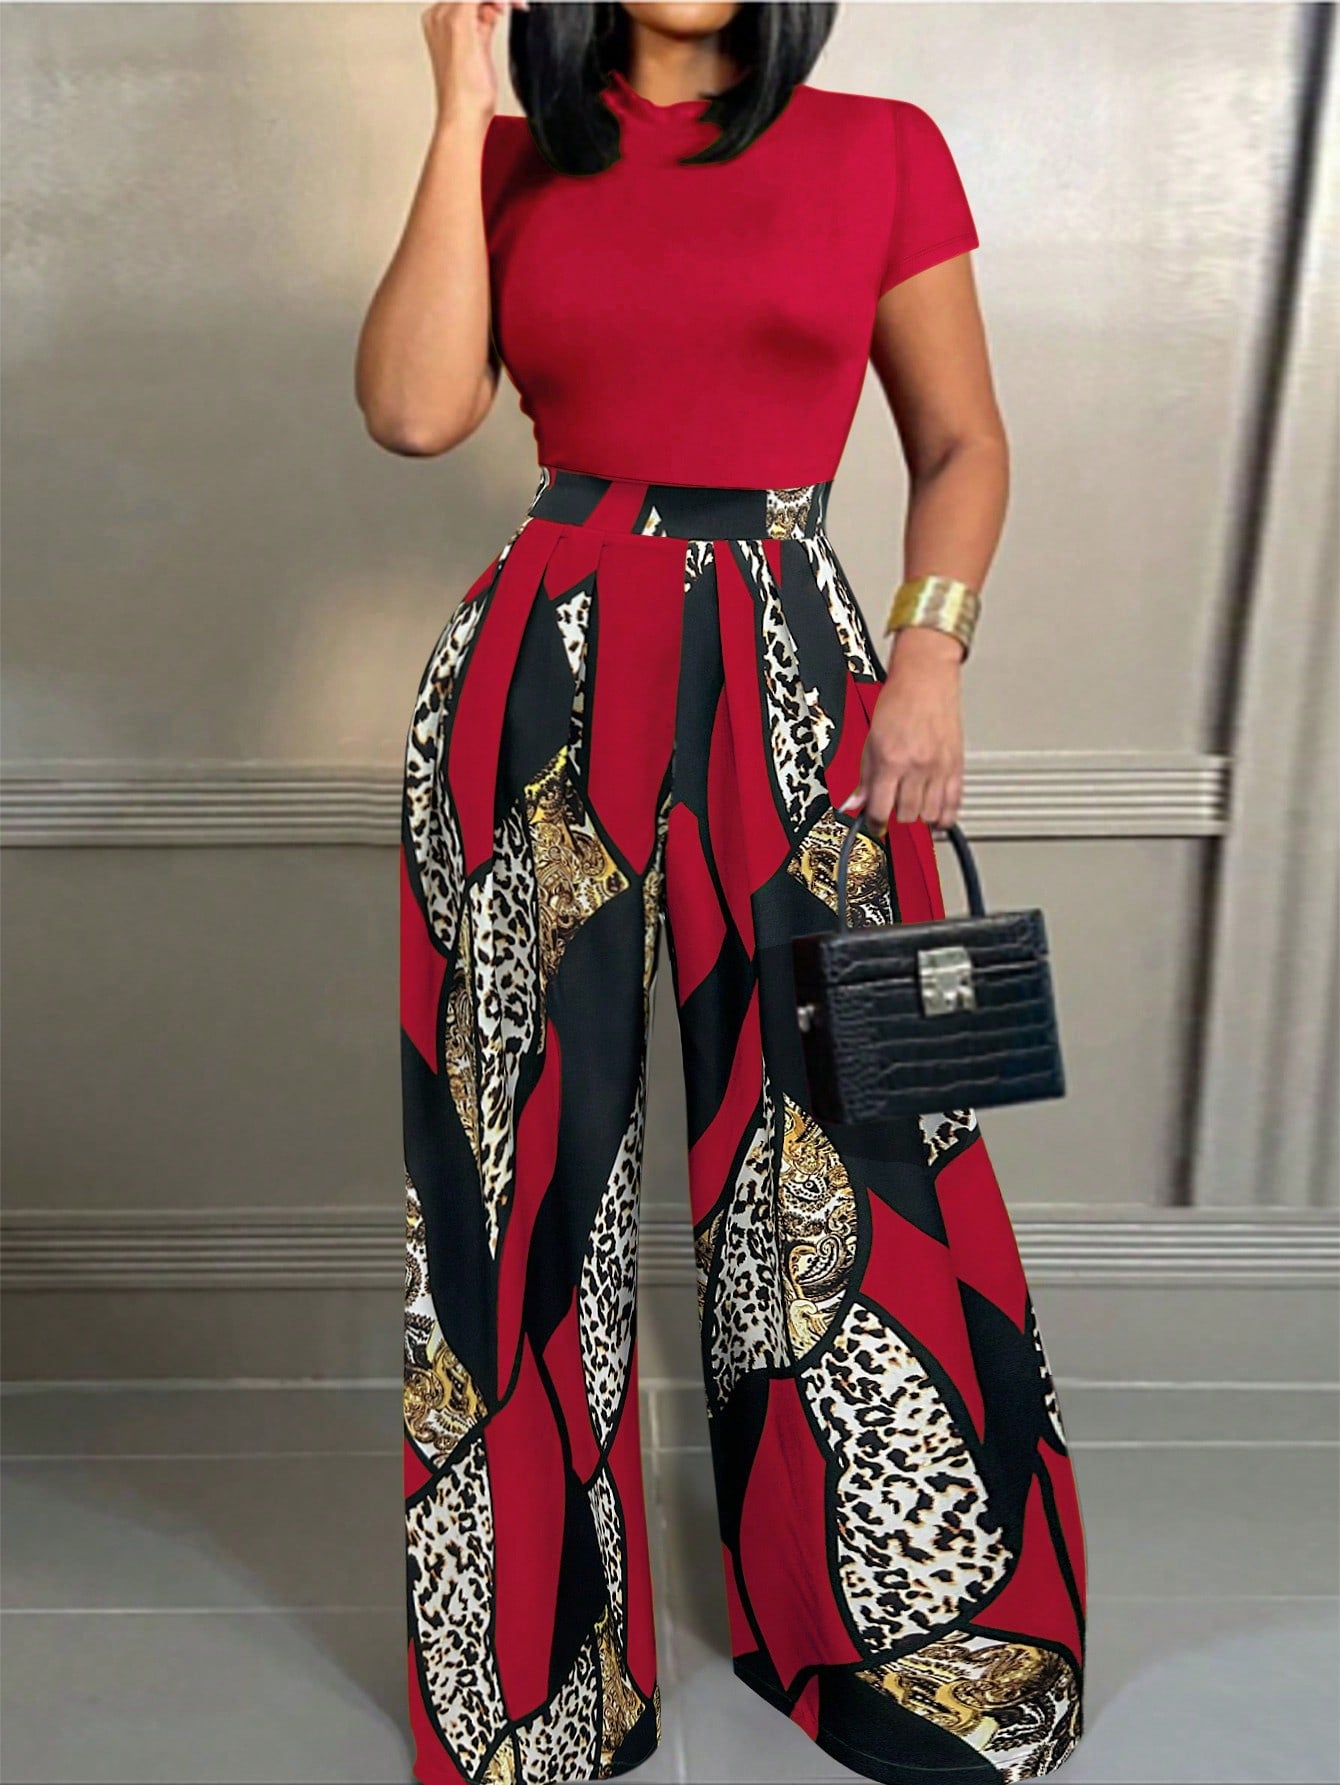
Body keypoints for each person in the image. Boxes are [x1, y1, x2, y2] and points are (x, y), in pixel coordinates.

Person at [356, 4, 1088, 1782]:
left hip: (803, 678)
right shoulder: (514, 157)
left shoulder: (880, 148)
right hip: (541, 680)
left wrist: (931, 657)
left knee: (849, 1145)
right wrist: (457, 113)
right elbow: (414, 411)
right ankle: (536, 1689)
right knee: (520, 1168)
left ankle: (907, 1650)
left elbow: (963, 443)